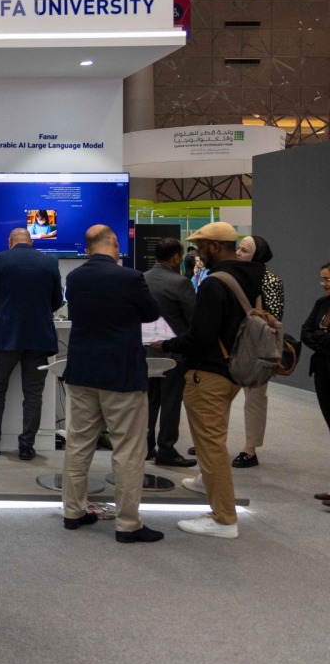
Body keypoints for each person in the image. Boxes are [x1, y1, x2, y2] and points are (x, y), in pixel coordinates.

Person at [153, 221, 263, 539]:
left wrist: (167, 344)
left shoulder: (214, 284)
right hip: (236, 370)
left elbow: (201, 336)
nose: (198, 255)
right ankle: (205, 482)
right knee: (214, 435)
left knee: (210, 443)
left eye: (202, 248)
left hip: (208, 373)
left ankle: (224, 518)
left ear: (215, 247)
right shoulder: (253, 276)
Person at [60, 226, 164, 543]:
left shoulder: (74, 278)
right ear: (115, 244)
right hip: (122, 373)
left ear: (87, 247)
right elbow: (152, 314)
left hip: (81, 371)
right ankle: (128, 524)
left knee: (78, 443)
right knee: (128, 450)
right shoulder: (130, 278)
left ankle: (73, 511)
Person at [0, 227, 64, 460]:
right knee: (33, 394)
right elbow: (56, 299)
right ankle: (27, 446)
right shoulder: (49, 262)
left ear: (9, 241)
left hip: (5, 335)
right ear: (31, 242)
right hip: (39, 336)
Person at [143, 238, 198, 467]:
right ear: (176, 257)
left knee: (149, 401)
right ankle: (166, 449)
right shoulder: (181, 283)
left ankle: (145, 446)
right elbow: (194, 320)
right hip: (172, 354)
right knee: (171, 402)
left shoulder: (141, 279)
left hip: (144, 351)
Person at [233, 235, 284, 468]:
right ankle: (214, 440)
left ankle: (250, 449)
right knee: (221, 395)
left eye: (244, 250)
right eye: (239, 249)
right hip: (232, 343)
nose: (238, 253)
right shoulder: (235, 275)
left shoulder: (270, 280)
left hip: (256, 347)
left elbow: (274, 318)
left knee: (255, 398)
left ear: (257, 254)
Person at [301, 262, 330, 507]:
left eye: (328, 279)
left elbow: (315, 334)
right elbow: (306, 331)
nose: (323, 284)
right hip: (322, 371)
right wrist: (325, 340)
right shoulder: (322, 303)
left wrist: (320, 339)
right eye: (322, 279)